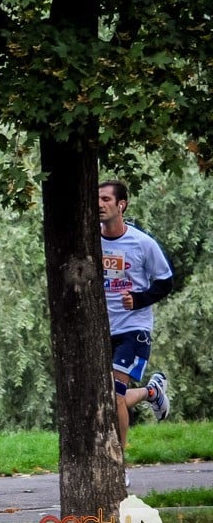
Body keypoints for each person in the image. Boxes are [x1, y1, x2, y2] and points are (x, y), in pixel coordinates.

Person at [99, 180, 172, 487]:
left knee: (114, 395)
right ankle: (151, 392)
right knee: (106, 398)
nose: (99, 205)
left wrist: (139, 299)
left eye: (105, 199)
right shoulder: (90, 242)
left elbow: (165, 281)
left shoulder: (142, 243)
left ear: (121, 204)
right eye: (96, 200)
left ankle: (119, 465)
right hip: (102, 330)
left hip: (134, 329)